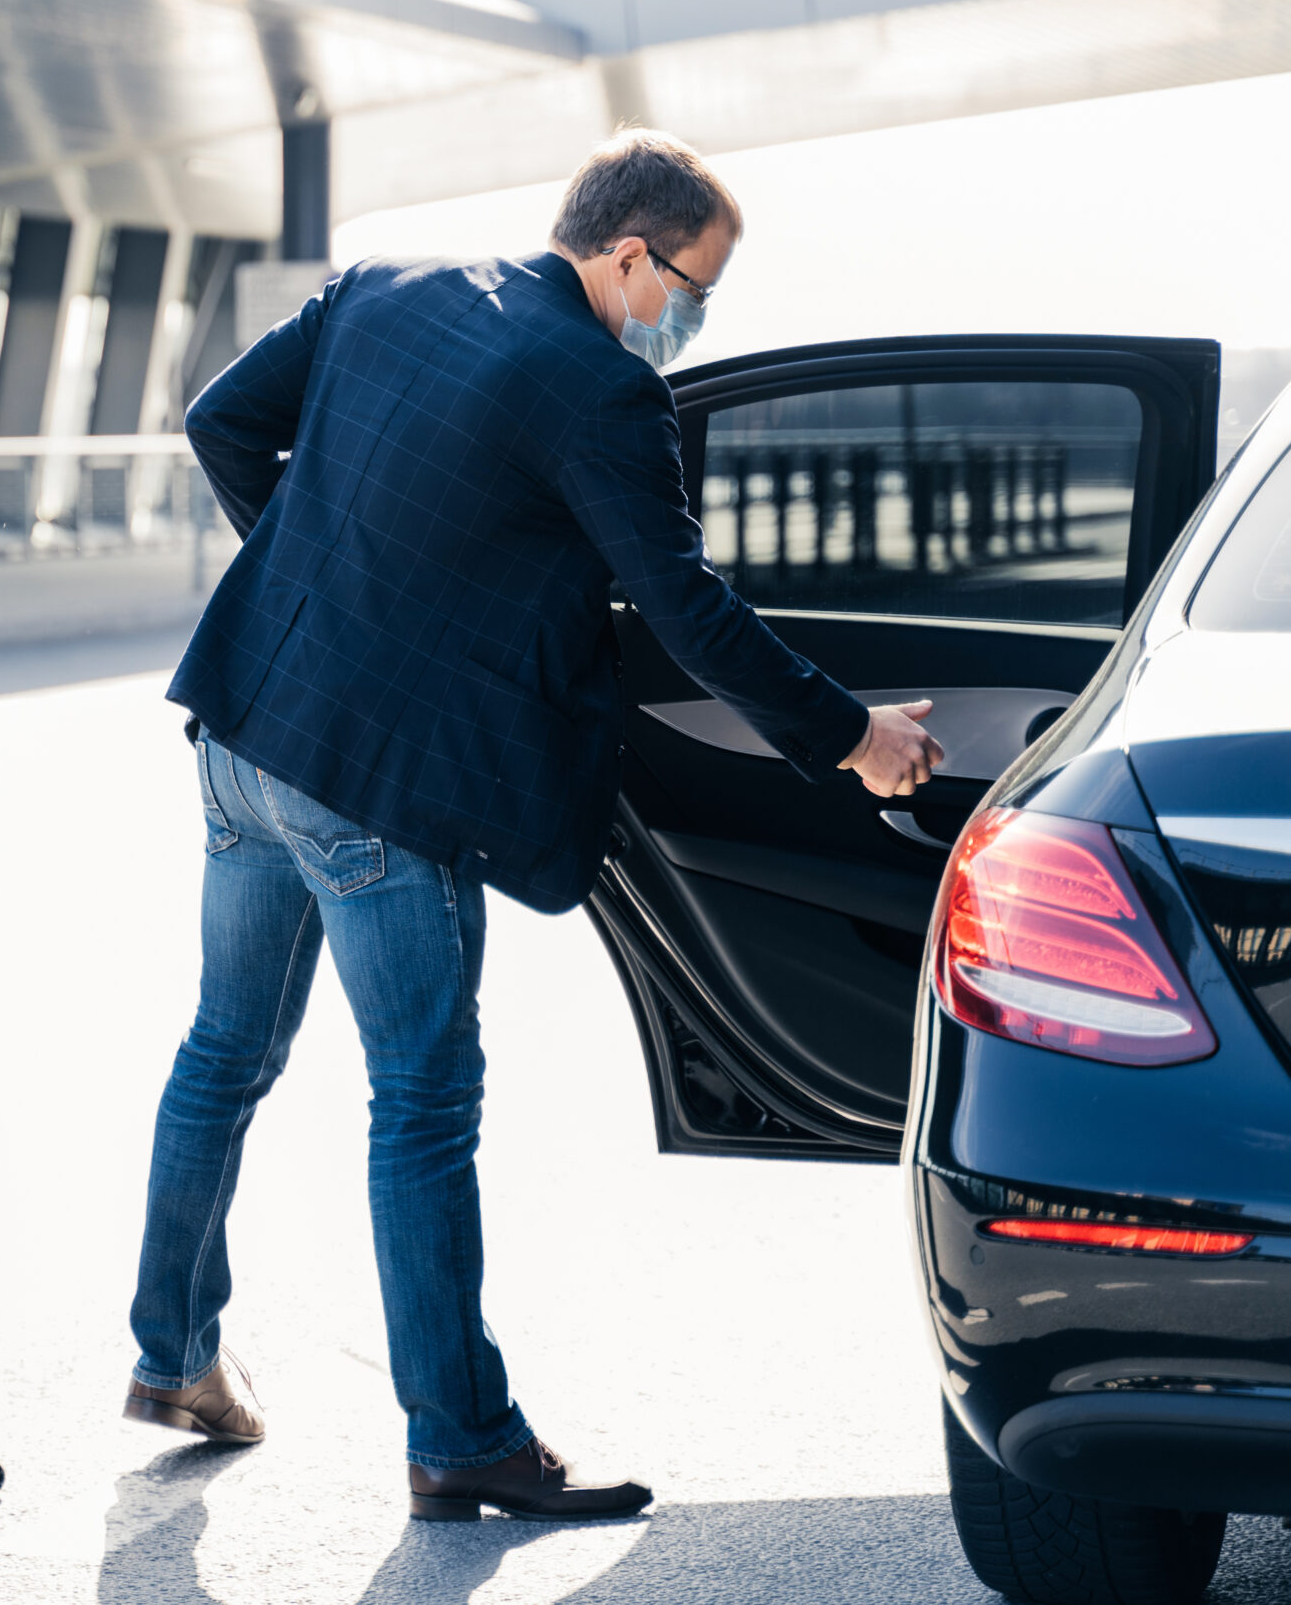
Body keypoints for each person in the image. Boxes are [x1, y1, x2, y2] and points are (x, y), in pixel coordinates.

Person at [120, 129, 942, 1521]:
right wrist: (856, 736)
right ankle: (460, 1435)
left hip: (248, 732)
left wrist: (326, 590)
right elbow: (689, 614)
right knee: (424, 1102)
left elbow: (220, 421)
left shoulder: (385, 280)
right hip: (381, 791)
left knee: (224, 1050)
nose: (689, 323)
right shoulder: (597, 393)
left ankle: (174, 1354)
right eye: (695, 288)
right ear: (630, 255)